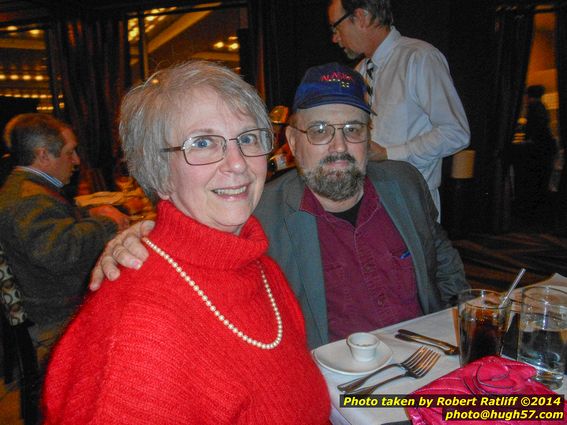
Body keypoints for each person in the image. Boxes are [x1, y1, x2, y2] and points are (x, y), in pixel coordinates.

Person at [91, 62, 468, 350]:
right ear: (291, 140)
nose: (339, 146)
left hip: (430, 363)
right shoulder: (255, 213)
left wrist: (459, 325)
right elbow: (195, 240)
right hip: (339, 397)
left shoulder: (405, 184)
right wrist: (142, 236)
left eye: (353, 129)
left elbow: (440, 255)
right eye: (319, 131)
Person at [42, 61, 330, 424]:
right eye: (203, 142)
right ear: (158, 172)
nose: (238, 163)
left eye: (248, 138)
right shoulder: (138, 330)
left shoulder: (261, 269)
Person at [0, 113, 129, 359]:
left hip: (48, 299)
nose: (77, 160)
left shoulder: (25, 188)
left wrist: (90, 212)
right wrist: (107, 223)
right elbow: (61, 252)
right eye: (70, 152)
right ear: (43, 155)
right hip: (57, 312)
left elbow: (55, 219)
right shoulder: (29, 199)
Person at [327, 0, 470, 212]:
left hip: (411, 201)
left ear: (362, 17)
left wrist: (389, 153)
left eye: (336, 27)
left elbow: (456, 133)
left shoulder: (420, 58)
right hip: (369, 199)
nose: (335, 38)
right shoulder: (360, 71)